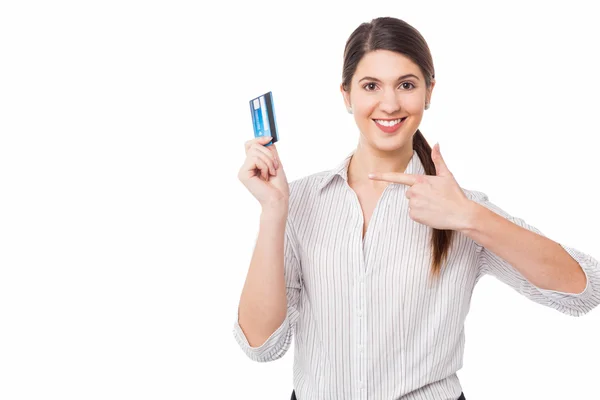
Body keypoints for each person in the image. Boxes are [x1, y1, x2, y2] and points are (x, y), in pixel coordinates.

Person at [232, 16, 600, 400]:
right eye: (370, 85)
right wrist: (273, 212)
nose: (389, 104)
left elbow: (585, 290)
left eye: (406, 85)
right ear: (346, 95)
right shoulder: (301, 200)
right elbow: (261, 345)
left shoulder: (461, 208)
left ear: (429, 92)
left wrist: (470, 218)